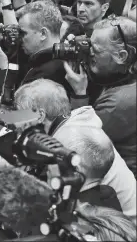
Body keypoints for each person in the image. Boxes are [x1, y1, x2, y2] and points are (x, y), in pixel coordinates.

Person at [13, 79, 136, 223]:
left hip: (119, 230)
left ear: (40, 115)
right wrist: (4, 116)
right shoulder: (77, 121)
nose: (19, 124)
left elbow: (44, 207)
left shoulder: (67, 147)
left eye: (22, 116)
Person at [64, 16, 137, 178]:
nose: (88, 53)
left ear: (121, 56)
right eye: (87, 44)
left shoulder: (119, 103)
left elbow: (77, 143)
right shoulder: (120, 76)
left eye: (95, 49)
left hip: (114, 186)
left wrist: (79, 93)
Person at [0, 0, 73, 102]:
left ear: (43, 34)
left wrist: (4, 70)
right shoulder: (39, 57)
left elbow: (14, 113)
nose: (19, 38)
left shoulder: (49, 74)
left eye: (23, 33)